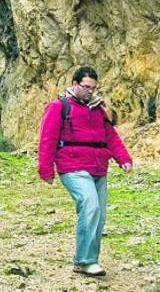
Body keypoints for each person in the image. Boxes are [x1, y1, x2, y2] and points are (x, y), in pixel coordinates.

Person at [38, 66, 133, 277]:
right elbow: (47, 138)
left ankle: (89, 259)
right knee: (90, 206)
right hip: (72, 166)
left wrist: (123, 159)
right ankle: (84, 260)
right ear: (74, 84)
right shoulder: (58, 106)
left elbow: (111, 136)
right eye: (86, 87)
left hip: (98, 166)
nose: (90, 91)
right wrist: (45, 169)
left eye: (93, 87)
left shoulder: (98, 109)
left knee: (99, 214)